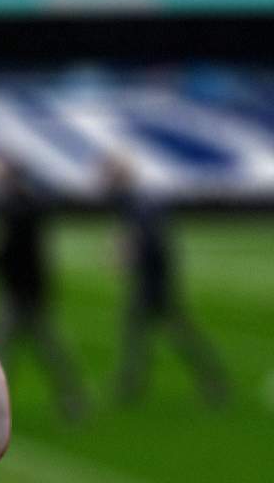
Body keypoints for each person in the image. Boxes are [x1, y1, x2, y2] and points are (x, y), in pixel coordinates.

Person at [104, 151, 228, 406]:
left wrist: (127, 254)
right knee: (145, 333)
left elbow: (148, 242)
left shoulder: (137, 202)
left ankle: (212, 379)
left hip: (154, 282)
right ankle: (133, 383)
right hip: (154, 279)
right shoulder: (137, 200)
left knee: (173, 333)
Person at [0, 151, 89, 422]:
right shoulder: (27, 202)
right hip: (29, 287)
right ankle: (72, 398)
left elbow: (9, 247)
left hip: (21, 289)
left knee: (11, 349)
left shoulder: (15, 205)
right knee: (41, 348)